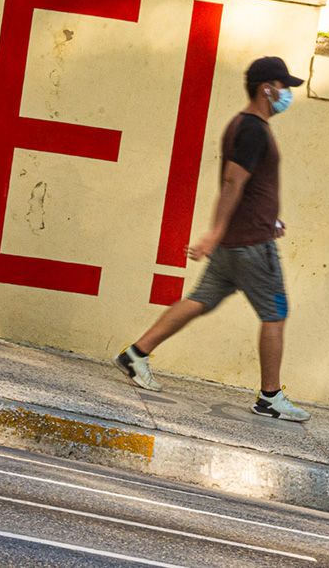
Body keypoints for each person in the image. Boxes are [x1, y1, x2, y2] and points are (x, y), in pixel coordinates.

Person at [114, 56, 310, 422]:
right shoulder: (253, 129)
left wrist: (268, 220)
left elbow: (247, 187)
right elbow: (233, 182)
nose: (286, 94)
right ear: (266, 88)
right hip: (251, 245)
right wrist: (213, 234)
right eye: (283, 87)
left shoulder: (243, 125)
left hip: (239, 240)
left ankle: (136, 354)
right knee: (275, 315)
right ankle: (270, 397)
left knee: (199, 300)